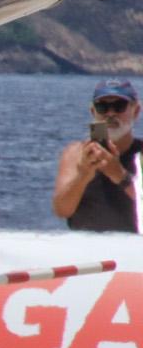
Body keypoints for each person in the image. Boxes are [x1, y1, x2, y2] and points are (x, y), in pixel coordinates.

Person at [52, 79, 142, 233]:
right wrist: (83, 175)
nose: (111, 114)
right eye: (103, 107)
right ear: (93, 112)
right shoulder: (75, 153)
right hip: (88, 249)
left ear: (136, 111)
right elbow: (62, 211)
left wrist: (119, 175)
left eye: (119, 106)